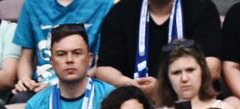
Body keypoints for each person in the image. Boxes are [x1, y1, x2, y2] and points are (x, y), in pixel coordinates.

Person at [93, 0, 223, 93]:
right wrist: (131, 84)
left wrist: (163, 88)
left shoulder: (202, 7)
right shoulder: (121, 11)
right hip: (135, 99)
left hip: (189, 98)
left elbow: (212, 66)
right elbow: (104, 69)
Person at [13, 0, 114, 98]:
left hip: (86, 81)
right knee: (21, 97)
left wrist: (58, 84)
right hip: (40, 86)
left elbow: (100, 65)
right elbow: (25, 57)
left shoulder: (104, 4)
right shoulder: (32, 3)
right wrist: (25, 80)